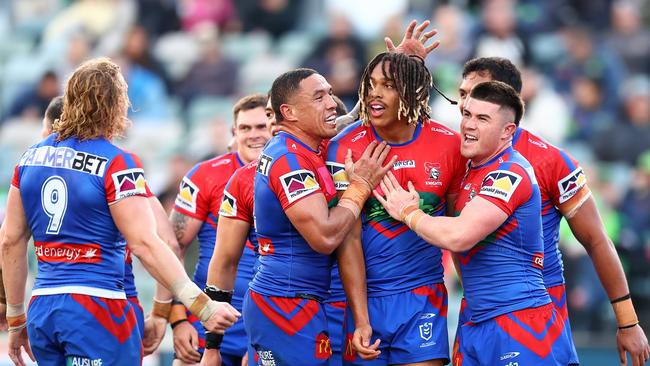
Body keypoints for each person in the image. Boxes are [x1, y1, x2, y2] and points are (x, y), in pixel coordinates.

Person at [1, 58, 240, 366]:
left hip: (44, 307)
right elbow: (148, 244)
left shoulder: (29, 158)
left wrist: (16, 317)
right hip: (98, 308)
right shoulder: (118, 163)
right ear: (115, 104)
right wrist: (203, 307)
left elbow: (10, 240)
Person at [456, 57, 650, 366]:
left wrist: (627, 321)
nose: (465, 105)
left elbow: (596, 240)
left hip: (532, 314)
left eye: (478, 93)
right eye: (462, 94)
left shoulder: (550, 161)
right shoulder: (457, 155)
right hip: (476, 313)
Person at [376, 81, 575, 365]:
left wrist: (409, 213)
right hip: (476, 322)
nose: (469, 125)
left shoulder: (509, 173)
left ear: (508, 131)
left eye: (482, 119)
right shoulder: (470, 171)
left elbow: (459, 237)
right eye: (467, 114)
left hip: (518, 320)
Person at [243, 68, 394, 365]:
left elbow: (348, 119)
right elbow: (325, 237)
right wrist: (360, 186)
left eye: (329, 93)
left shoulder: (304, 145)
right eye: (318, 97)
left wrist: (395, 66)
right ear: (289, 112)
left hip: (298, 301)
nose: (331, 103)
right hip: (284, 304)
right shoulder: (290, 161)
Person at [325, 50, 465, 365]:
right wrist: (361, 318)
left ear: (413, 92)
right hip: (361, 300)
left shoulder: (450, 146)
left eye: (387, 85)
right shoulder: (344, 147)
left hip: (422, 298)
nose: (375, 92)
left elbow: (460, 229)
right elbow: (347, 238)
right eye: (371, 84)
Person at [169, 93, 272, 365]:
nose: (254, 135)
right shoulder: (205, 175)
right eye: (245, 128)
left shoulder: (291, 174)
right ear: (233, 133)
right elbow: (171, 248)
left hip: (270, 320)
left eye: (261, 126)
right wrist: (178, 318)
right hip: (208, 320)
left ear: (275, 127)